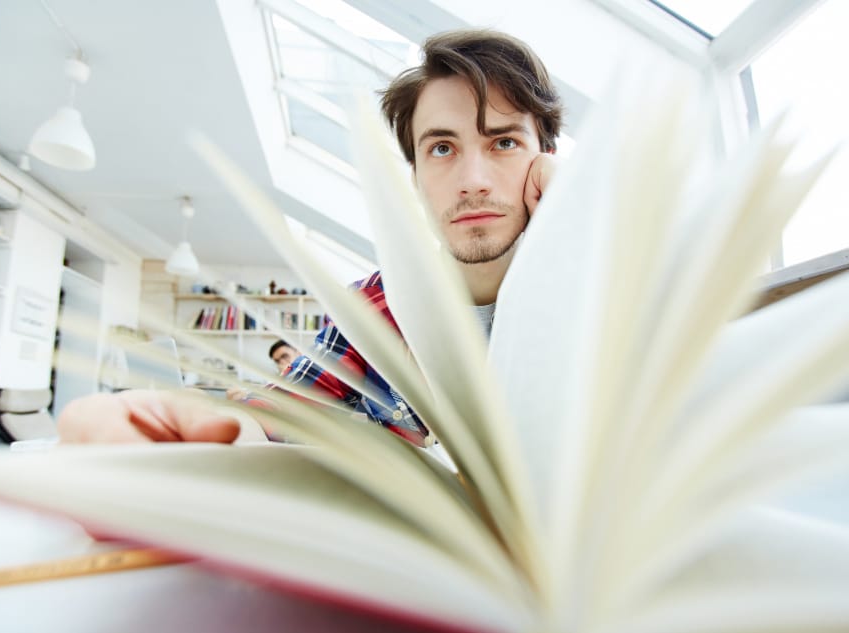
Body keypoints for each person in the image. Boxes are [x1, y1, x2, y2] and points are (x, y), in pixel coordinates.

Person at [58, 28, 562, 445]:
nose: (473, 178)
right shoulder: (375, 308)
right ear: (414, 180)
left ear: (546, 159)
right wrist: (181, 428)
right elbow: (281, 410)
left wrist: (575, 212)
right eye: (442, 149)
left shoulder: (607, 286)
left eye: (504, 141)